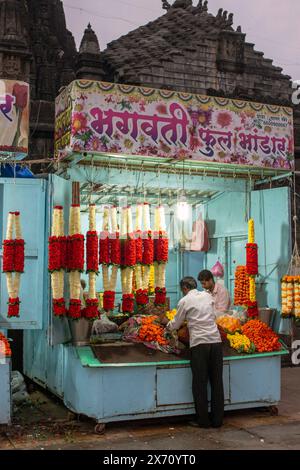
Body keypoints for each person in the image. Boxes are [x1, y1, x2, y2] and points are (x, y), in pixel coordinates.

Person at [160, 276, 224, 428]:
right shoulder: (207, 296)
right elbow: (213, 315)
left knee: (200, 383)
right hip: (215, 342)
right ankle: (217, 420)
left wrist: (166, 327)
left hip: (199, 344)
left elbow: (176, 324)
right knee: (217, 382)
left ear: (184, 288)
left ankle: (203, 420)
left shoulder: (184, 301)